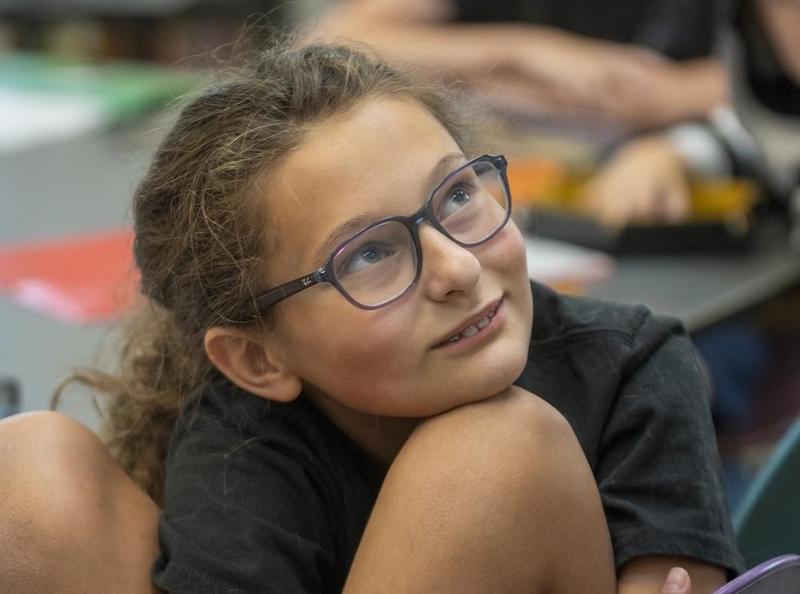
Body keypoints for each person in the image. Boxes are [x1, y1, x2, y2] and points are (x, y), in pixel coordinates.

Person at [0, 41, 742, 593]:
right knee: (29, 471)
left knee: (498, 450)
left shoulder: (634, 368)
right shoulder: (241, 440)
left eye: (456, 195)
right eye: (366, 256)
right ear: (260, 361)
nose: (456, 267)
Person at [312, 0, 734, 226]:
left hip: (679, 190)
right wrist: (522, 52)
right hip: (520, 198)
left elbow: (642, 94)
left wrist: (662, 98)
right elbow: (335, 40)